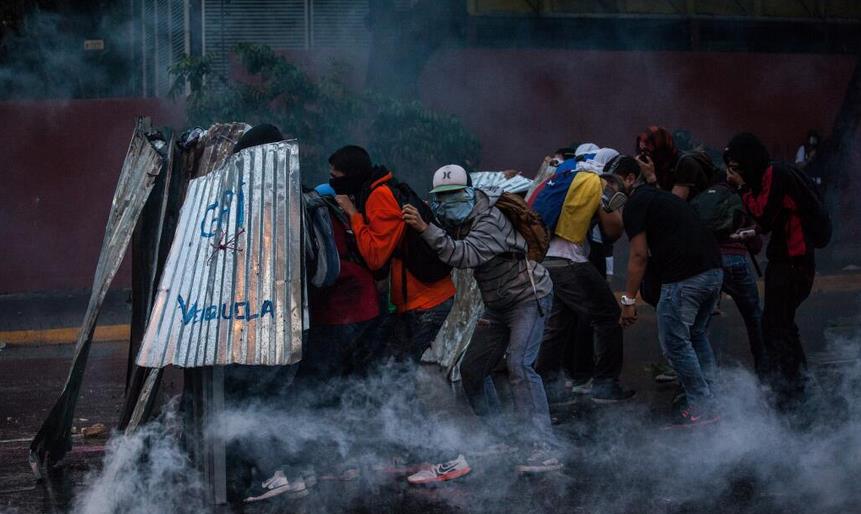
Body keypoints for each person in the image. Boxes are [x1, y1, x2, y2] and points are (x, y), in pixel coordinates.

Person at [402, 164, 561, 481]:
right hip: (497, 304)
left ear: (468, 192)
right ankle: (500, 437)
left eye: (453, 195)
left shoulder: (490, 220)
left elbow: (462, 255)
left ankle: (544, 448)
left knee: (519, 366)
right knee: (473, 369)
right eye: (441, 197)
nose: (446, 202)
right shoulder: (459, 217)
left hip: (527, 296)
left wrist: (424, 228)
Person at [612, 155, 724, 427]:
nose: (607, 191)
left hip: (685, 278)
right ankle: (714, 400)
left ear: (629, 179)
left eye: (610, 183)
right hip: (713, 272)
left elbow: (638, 256)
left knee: (674, 344)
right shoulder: (659, 197)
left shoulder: (636, 203)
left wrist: (628, 301)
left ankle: (703, 406)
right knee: (696, 335)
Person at [329, 145, 455, 366]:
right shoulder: (373, 191)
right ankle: (400, 402)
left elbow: (375, 257)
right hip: (414, 300)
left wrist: (353, 214)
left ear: (351, 176)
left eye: (335, 177)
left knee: (400, 369)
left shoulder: (380, 197)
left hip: (427, 301)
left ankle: (405, 403)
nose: (332, 182)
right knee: (393, 368)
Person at [724, 133, 816, 412]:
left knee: (775, 327)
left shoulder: (773, 174)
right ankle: (796, 385)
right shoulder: (772, 174)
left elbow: (763, 212)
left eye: (735, 169)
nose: (732, 175)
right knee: (781, 325)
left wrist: (741, 188)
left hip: (792, 263)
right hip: (790, 261)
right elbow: (776, 216)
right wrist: (756, 230)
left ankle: (791, 394)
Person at [535, 149, 635, 403]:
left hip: (547, 259)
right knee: (608, 316)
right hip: (570, 259)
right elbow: (612, 229)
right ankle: (605, 385)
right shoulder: (597, 183)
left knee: (558, 324)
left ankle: (545, 387)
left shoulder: (566, 177)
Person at [635, 126, 713, 201]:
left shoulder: (684, 164)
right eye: (640, 151)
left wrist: (651, 177)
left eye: (646, 151)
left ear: (660, 149)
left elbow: (673, 205)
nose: (642, 157)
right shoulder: (656, 165)